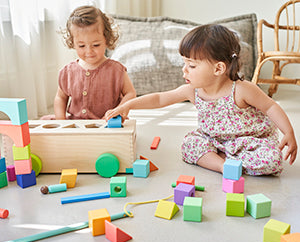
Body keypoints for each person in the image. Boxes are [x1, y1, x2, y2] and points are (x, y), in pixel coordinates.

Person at [105, 24, 297, 176]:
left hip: (249, 142)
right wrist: (128, 104)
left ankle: (224, 159)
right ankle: (223, 166)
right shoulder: (192, 91)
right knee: (189, 144)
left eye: (192, 65)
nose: (184, 70)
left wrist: (288, 132)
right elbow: (159, 99)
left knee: (273, 159)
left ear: (218, 69)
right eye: (184, 63)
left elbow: (271, 107)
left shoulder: (242, 90)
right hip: (213, 140)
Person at [42, 6, 136, 120]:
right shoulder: (68, 72)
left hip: (108, 124)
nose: (89, 51)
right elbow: (60, 98)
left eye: (96, 45)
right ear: (73, 42)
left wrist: (118, 111)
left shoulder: (116, 70)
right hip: (77, 123)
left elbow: (130, 93)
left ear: (106, 39)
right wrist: (61, 121)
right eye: (81, 46)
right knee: (44, 120)